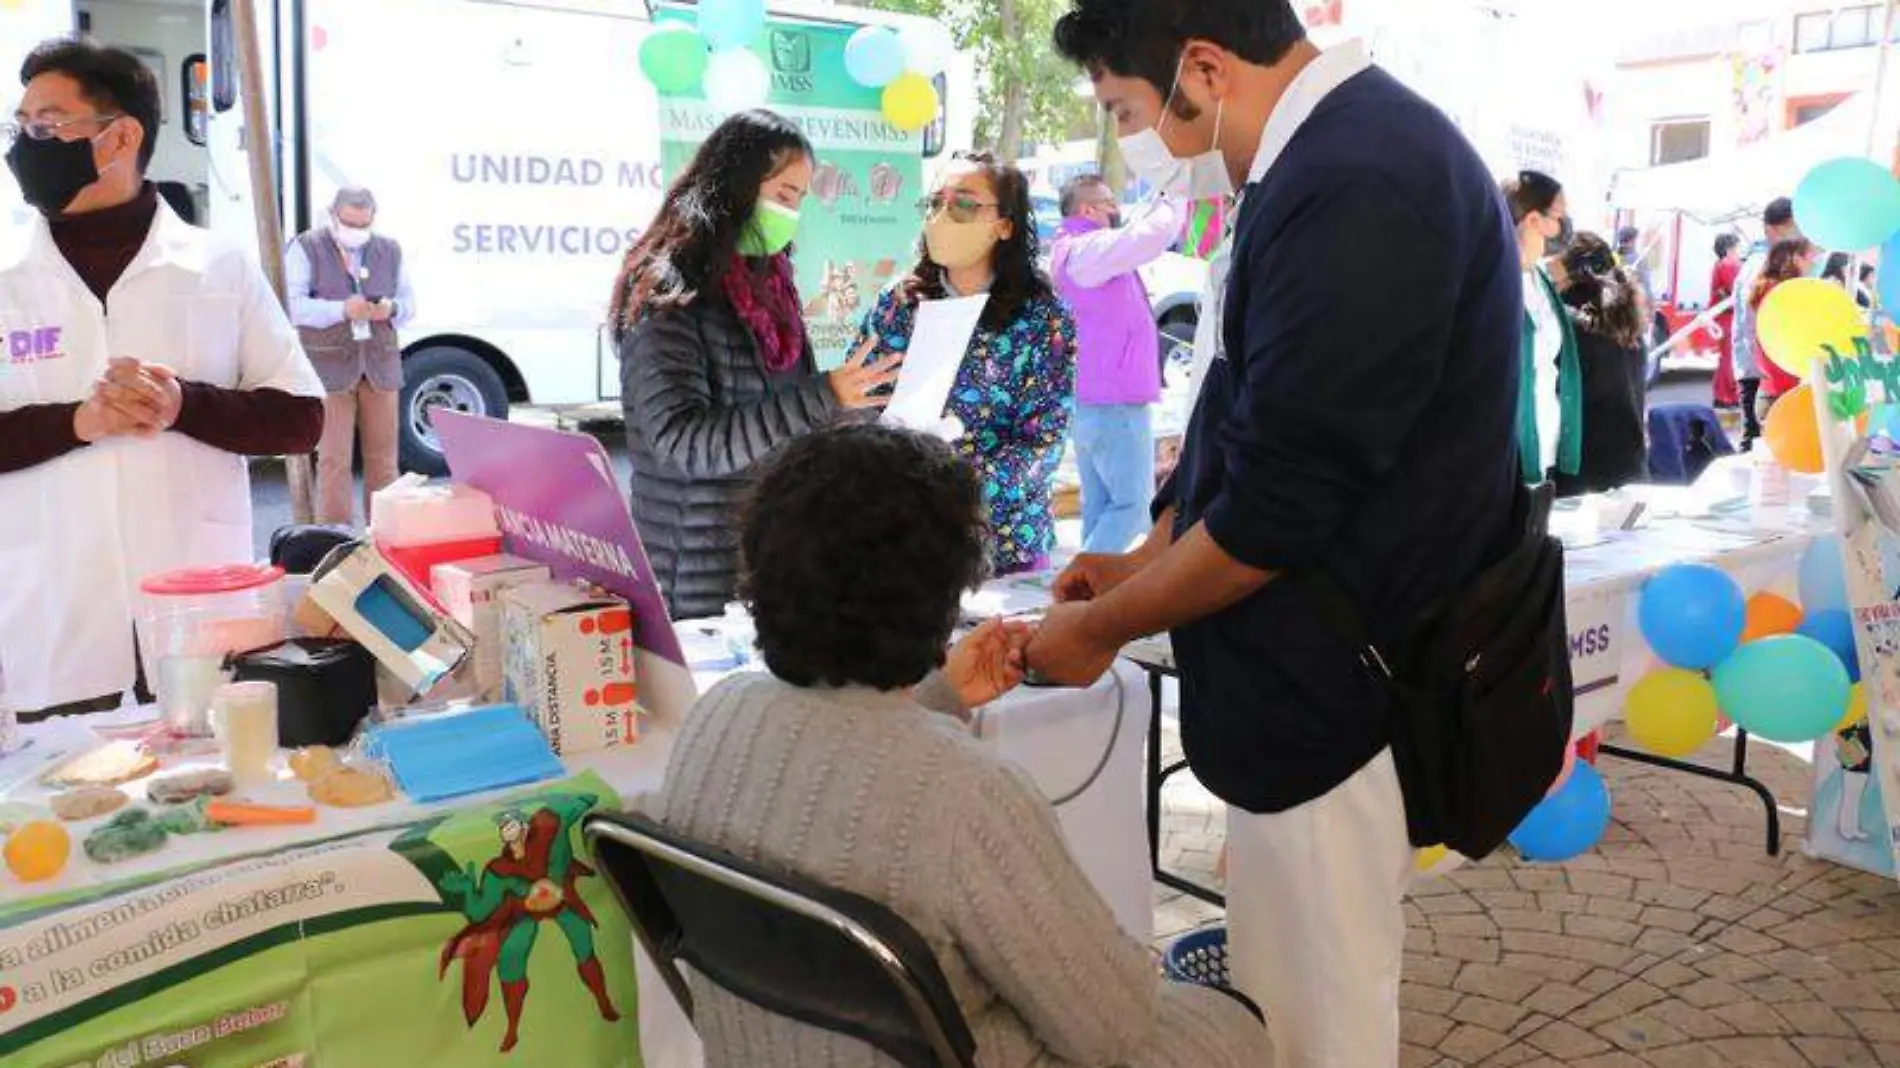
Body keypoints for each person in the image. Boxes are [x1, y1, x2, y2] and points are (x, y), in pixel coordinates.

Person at [1038, 4, 1523, 1065]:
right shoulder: (1319, 162)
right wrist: (1143, 556)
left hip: (1348, 674)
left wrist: (1105, 626)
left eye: (1131, 110)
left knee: (1319, 1006)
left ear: (1203, 69)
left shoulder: (1362, 177)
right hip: (1303, 662)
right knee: (1284, 979)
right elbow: (1242, 427)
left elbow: (1279, 504)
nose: (1143, 147)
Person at [656, 422, 1270, 1067]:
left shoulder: (717, 719)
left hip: (758, 1052)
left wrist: (937, 695)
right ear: (947, 596)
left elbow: (835, 770)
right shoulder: (968, 795)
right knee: (1228, 1025)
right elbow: (1111, 1028)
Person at [0, 38, 324, 720]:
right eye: (21, 124)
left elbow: (301, 419)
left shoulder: (215, 266)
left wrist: (183, 405)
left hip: (201, 611)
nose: (26, 143)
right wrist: (77, 423)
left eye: (47, 124)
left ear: (119, 136)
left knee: (213, 797)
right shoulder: (6, 277)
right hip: (54, 618)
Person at [610, 110, 898, 621]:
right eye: (784, 195)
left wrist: (857, 408)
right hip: (691, 579)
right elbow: (682, 446)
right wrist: (823, 395)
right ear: (735, 182)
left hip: (763, 562)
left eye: (799, 201)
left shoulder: (771, 288)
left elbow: (783, 422)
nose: (792, 214)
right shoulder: (669, 291)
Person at [856, 154, 1077, 575]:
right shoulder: (899, 304)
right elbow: (859, 402)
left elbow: (1043, 442)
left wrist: (951, 490)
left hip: (1001, 541)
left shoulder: (1042, 318)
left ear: (1005, 225)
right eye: (935, 203)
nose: (942, 216)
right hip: (900, 535)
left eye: (963, 204)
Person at [1052, 174, 1185, 552]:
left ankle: (1089, 594)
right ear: (1088, 209)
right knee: (1130, 508)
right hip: (1114, 401)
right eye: (1110, 201)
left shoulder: (1071, 250)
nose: (1117, 207)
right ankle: (1082, 581)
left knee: (1100, 506)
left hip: (1093, 399)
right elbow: (1150, 236)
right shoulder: (1088, 248)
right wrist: (1173, 194)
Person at [287, 186, 417, 527]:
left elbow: (410, 304)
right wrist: (341, 309)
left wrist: (391, 308)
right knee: (333, 460)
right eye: (349, 223)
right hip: (328, 368)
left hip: (380, 365)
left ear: (373, 218)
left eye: (363, 224)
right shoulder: (306, 247)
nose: (356, 231)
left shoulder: (390, 249)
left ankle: (387, 538)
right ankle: (335, 541)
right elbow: (292, 305)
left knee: (384, 461)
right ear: (333, 215)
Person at [1504, 170, 1583, 486]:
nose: (1564, 226)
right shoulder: (1494, 278)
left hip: (1543, 444)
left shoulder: (1541, 280)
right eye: (1559, 214)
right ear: (1534, 220)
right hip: (1506, 453)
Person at [1555, 233, 1648, 496]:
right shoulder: (1628, 323)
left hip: (1581, 479)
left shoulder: (1567, 323)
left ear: (1571, 273)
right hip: (1630, 470)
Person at [1732, 197, 1801, 450]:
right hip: (1760, 372)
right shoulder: (1760, 266)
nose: (1798, 234)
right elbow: (1754, 327)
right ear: (1772, 229)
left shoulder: (1782, 263)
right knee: (1758, 447)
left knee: (1764, 446)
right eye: (1792, 227)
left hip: (1770, 371)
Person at [1750, 237, 1818, 419]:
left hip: (1770, 386)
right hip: (1787, 388)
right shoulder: (1785, 292)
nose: (1812, 263)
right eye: (1808, 257)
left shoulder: (1766, 287)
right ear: (1795, 258)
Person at [1710, 233, 1744, 410]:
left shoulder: (1721, 265)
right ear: (1730, 248)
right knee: (1730, 357)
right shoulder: (1729, 265)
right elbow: (1737, 290)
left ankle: (1722, 395)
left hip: (1724, 317)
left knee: (1727, 356)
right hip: (1728, 317)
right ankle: (1727, 396)